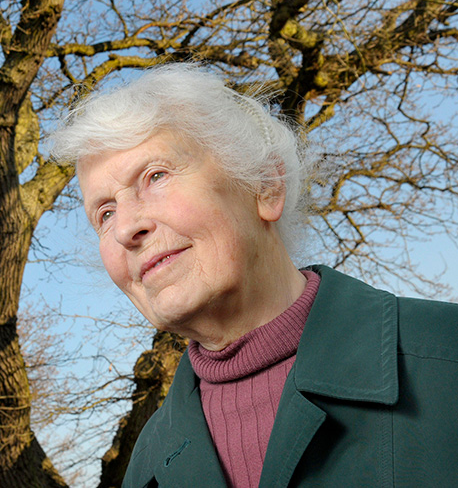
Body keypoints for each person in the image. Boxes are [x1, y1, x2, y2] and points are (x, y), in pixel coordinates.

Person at [48, 63, 458, 488]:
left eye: (155, 176)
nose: (125, 228)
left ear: (265, 186)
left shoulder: (447, 354)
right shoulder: (145, 466)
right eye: (105, 212)